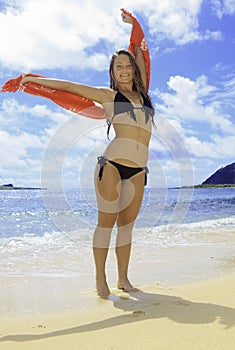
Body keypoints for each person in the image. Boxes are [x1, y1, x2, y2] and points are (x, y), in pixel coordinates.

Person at [9, 9, 155, 298]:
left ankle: (123, 279)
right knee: (106, 224)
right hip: (112, 165)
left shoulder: (145, 94)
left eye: (128, 65)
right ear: (112, 74)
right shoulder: (109, 96)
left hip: (139, 170)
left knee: (126, 227)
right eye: (119, 68)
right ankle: (100, 279)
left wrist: (135, 24)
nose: (125, 70)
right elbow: (67, 86)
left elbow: (141, 53)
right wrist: (29, 78)